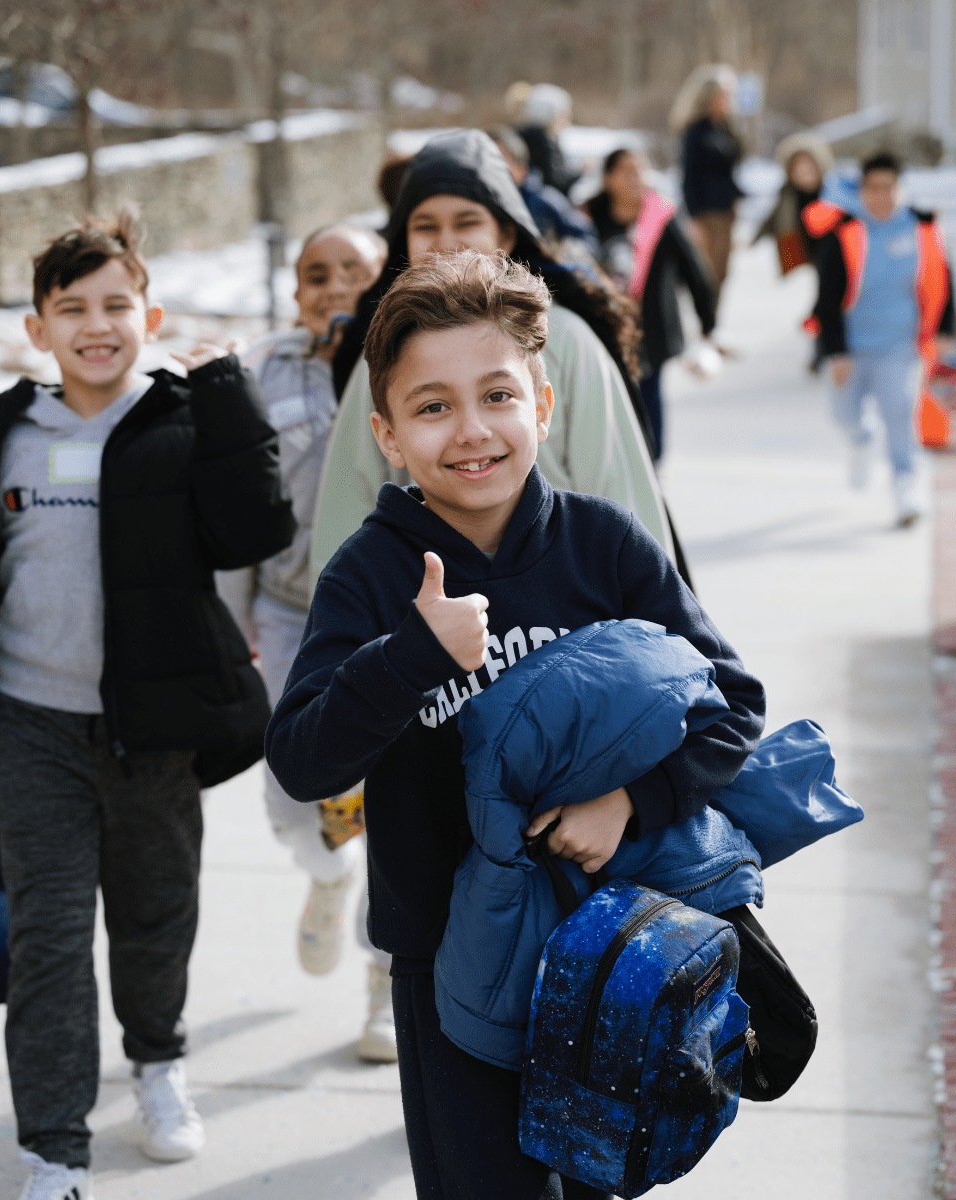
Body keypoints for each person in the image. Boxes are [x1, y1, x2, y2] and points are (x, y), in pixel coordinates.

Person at [265, 250, 766, 1199]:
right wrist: (410, 655)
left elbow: (732, 703)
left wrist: (632, 801)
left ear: (541, 404)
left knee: (601, 1182)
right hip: (446, 963)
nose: (472, 430)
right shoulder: (371, 574)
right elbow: (301, 759)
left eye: (497, 396)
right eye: (433, 406)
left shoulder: (604, 544)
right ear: (387, 435)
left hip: (613, 951)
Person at [0, 212, 295, 1200]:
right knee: (49, 938)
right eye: (71, 308)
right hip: (30, 726)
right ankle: (53, 1151)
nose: (96, 325)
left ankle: (157, 1063)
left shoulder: (184, 425)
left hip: (154, 732)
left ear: (148, 317)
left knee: (156, 918)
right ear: (38, 329)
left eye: (117, 305)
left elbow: (255, 529)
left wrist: (227, 393)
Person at [312, 128, 682, 589]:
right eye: (425, 226)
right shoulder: (385, 351)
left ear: (505, 232)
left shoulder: (565, 340)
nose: (446, 242)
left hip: (572, 608)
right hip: (428, 612)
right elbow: (347, 508)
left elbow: (621, 495)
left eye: (466, 221)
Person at [214, 223, 399, 1063]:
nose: (333, 287)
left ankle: (384, 976)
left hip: (396, 615)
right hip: (294, 613)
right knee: (295, 798)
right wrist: (234, 625)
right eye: (316, 274)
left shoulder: (405, 358)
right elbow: (237, 503)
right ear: (295, 293)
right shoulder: (265, 370)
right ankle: (326, 876)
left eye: (353, 271)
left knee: (396, 805)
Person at [806, 151, 956, 527]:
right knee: (843, 414)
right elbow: (827, 298)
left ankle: (906, 488)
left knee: (900, 413)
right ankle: (861, 438)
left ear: (900, 189)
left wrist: (945, 329)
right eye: (873, 188)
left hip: (900, 345)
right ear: (862, 191)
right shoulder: (846, 233)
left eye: (889, 188)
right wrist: (836, 352)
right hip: (852, 347)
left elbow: (943, 279)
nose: (881, 196)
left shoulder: (921, 229)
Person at [585, 147, 718, 462]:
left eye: (639, 169)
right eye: (626, 170)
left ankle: (652, 463)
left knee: (649, 393)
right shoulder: (588, 216)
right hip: (603, 325)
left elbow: (694, 270)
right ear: (608, 178)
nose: (635, 177)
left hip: (651, 325)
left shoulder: (661, 215)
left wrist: (708, 324)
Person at [673, 64, 743, 302]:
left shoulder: (725, 128)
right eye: (724, 95)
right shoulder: (695, 131)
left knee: (722, 273)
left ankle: (714, 317)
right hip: (706, 214)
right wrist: (693, 218)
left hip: (727, 210)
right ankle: (708, 319)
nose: (729, 100)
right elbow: (688, 176)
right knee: (707, 274)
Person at [488, 125, 597, 257]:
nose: (489, 168)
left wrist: (561, 251)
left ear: (521, 169)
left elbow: (586, 239)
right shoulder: (475, 203)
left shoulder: (544, 200)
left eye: (497, 160)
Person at [755, 131, 834, 277]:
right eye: (798, 166)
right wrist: (755, 238)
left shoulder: (833, 197)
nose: (804, 171)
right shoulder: (787, 197)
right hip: (798, 263)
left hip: (828, 263)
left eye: (808, 166)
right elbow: (772, 220)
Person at [514, 81, 579, 197]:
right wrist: (581, 173)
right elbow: (555, 181)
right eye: (563, 114)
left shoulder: (522, 134)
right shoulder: (541, 141)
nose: (567, 119)